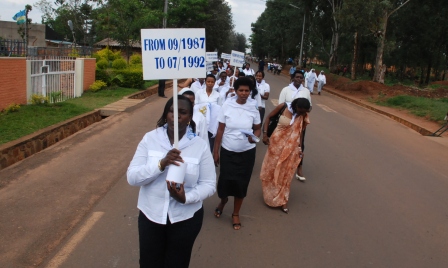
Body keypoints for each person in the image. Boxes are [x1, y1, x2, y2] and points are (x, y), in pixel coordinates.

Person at [127, 95, 216, 267]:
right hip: (151, 215)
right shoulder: (150, 139)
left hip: (186, 218)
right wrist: (161, 164)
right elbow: (132, 177)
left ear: (190, 117)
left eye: (182, 112)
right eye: (171, 111)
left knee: (177, 263)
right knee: (149, 262)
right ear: (166, 114)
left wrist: (186, 197)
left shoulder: (199, 145)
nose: (176, 116)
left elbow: (209, 184)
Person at [213, 77, 261, 230]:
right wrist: (216, 151)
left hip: (247, 153)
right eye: (241, 90)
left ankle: (235, 213)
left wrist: (254, 137)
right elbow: (220, 130)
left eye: (247, 90)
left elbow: (257, 128)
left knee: (241, 183)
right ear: (235, 90)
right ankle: (223, 200)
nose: (244, 93)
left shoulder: (253, 108)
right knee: (224, 182)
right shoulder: (227, 105)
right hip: (228, 151)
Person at [260, 98, 310, 213]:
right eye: (300, 110)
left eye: (304, 111)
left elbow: (300, 132)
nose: (301, 113)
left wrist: (300, 148)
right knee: (271, 171)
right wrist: (265, 134)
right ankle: (269, 196)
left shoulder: (303, 114)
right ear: (295, 106)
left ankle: (283, 200)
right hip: (275, 147)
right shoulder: (283, 106)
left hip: (291, 149)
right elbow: (268, 118)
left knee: (286, 174)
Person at [278, 70, 312, 182]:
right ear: (293, 78)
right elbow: (280, 105)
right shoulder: (286, 90)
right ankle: (281, 165)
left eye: (301, 77)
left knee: (300, 143)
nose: (299, 79)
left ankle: (299, 168)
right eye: (297, 77)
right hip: (287, 120)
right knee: (283, 143)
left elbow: (310, 107)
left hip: (300, 121)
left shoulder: (306, 91)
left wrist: (302, 111)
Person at [195, 74, 221, 152]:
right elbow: (196, 107)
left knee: (210, 142)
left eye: (212, 82)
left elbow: (219, 109)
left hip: (212, 123)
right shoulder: (199, 93)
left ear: (214, 83)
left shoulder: (218, 95)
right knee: (200, 141)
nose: (210, 83)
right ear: (205, 82)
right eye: (208, 81)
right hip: (201, 120)